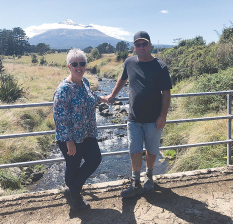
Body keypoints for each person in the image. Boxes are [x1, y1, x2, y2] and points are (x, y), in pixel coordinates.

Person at [106, 31, 172, 197]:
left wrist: (162, 116)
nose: (141, 47)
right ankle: (135, 182)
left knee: (151, 150)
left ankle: (149, 177)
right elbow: (122, 79)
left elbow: (166, 93)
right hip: (134, 118)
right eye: (138, 44)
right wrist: (111, 96)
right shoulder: (129, 63)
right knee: (134, 150)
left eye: (144, 44)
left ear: (150, 45)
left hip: (153, 118)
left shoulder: (161, 66)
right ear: (134, 46)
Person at [53, 48, 106, 209]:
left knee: (95, 159)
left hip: (87, 132)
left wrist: (102, 99)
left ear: (85, 65)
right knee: (73, 166)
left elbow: (89, 98)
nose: (79, 67)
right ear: (69, 66)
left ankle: (72, 190)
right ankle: (76, 198)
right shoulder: (64, 89)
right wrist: (69, 142)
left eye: (82, 63)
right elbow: (60, 118)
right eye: (74, 64)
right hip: (71, 137)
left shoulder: (85, 82)